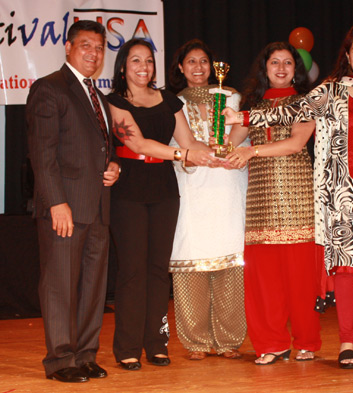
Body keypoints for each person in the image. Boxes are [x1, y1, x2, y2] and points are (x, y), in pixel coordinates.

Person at [223, 23, 353, 369]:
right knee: (346, 269)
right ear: (346, 56)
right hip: (343, 194)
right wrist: (245, 115)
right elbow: (291, 110)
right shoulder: (331, 90)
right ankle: (347, 343)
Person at [106, 38, 218, 371]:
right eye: (136, 60)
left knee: (158, 272)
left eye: (149, 61)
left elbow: (189, 142)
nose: (144, 67)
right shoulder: (114, 101)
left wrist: (218, 150)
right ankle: (127, 347)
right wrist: (184, 154)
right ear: (124, 66)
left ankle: (156, 344)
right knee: (132, 271)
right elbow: (137, 142)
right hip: (129, 190)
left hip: (165, 189)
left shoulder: (169, 100)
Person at [26, 20, 120, 383]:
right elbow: (42, 152)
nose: (93, 54)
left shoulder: (98, 95)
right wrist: (55, 203)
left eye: (98, 48)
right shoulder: (50, 88)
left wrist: (113, 167)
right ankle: (61, 360)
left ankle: (85, 354)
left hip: (98, 205)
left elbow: (102, 148)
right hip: (65, 206)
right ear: (68, 47)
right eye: (85, 46)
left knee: (93, 288)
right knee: (60, 284)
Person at [222, 42, 321, 365]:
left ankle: (306, 341)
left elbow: (295, 144)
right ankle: (271, 342)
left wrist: (252, 151)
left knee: (301, 277)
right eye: (274, 62)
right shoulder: (251, 104)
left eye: (288, 63)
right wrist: (219, 127)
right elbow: (231, 143)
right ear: (264, 69)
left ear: (297, 69)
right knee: (263, 277)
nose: (281, 68)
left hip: (297, 196)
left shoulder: (305, 102)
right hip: (262, 198)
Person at [167, 39, 247, 360]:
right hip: (191, 187)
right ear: (180, 67)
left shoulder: (232, 97)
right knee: (192, 261)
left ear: (213, 66)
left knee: (231, 262)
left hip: (228, 184)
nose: (198, 67)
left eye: (203, 61)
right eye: (191, 62)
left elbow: (242, 133)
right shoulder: (170, 103)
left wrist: (226, 145)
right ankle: (196, 341)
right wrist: (196, 155)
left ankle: (229, 340)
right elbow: (176, 145)